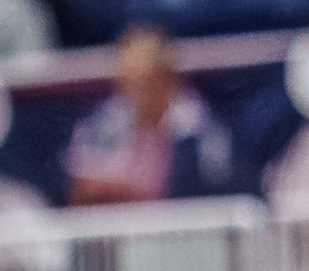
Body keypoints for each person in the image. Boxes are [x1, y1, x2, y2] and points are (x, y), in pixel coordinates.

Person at [67, 25, 233, 205]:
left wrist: (125, 191)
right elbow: (81, 192)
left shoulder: (200, 128)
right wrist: (134, 192)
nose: (134, 94)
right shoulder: (106, 119)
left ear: (169, 78)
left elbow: (208, 192)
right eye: (127, 83)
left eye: (144, 83)